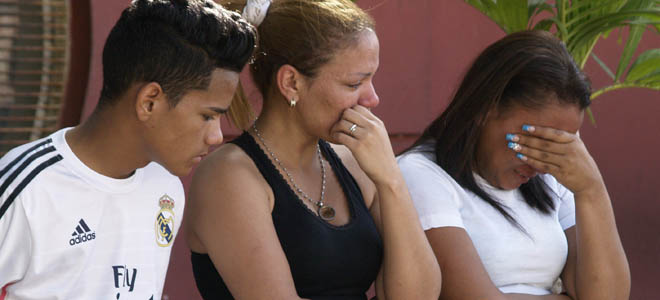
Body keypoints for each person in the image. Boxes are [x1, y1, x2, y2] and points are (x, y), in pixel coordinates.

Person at [184, 0, 441, 299]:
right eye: (354, 83)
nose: (372, 99)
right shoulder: (229, 176)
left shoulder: (352, 161)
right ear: (291, 82)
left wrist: (391, 181)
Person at [0, 0, 255, 299]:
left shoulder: (167, 189)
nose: (215, 137)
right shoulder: (27, 189)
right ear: (149, 102)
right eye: (208, 116)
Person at [397, 30, 630, 299]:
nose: (542, 162)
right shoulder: (421, 174)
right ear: (486, 108)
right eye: (536, 139)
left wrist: (591, 190)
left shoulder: (552, 178)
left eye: (559, 145)